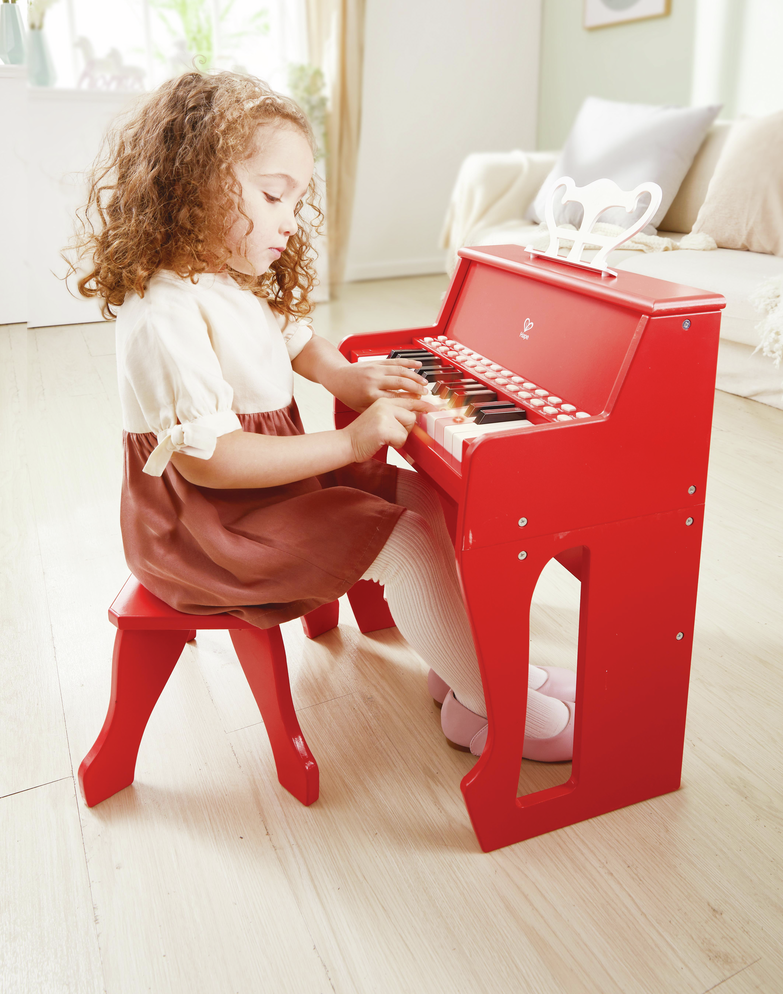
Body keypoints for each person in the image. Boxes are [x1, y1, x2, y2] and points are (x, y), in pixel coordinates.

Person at [72, 71, 575, 761]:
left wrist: (343, 375)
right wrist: (349, 442)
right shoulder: (164, 312)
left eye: (297, 200)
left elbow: (296, 339)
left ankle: (463, 672)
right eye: (272, 195)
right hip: (206, 527)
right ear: (193, 185)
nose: (289, 218)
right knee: (405, 544)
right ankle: (498, 706)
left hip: (266, 494)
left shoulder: (232, 278)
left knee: (428, 499)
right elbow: (212, 461)